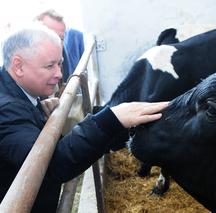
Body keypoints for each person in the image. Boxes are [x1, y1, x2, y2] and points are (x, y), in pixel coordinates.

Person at [0, 24, 168, 212]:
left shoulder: (18, 94)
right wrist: (110, 120)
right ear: (18, 66)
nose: (59, 74)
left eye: (60, 63)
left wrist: (37, 109)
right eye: (49, 66)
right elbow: (50, 166)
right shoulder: (6, 111)